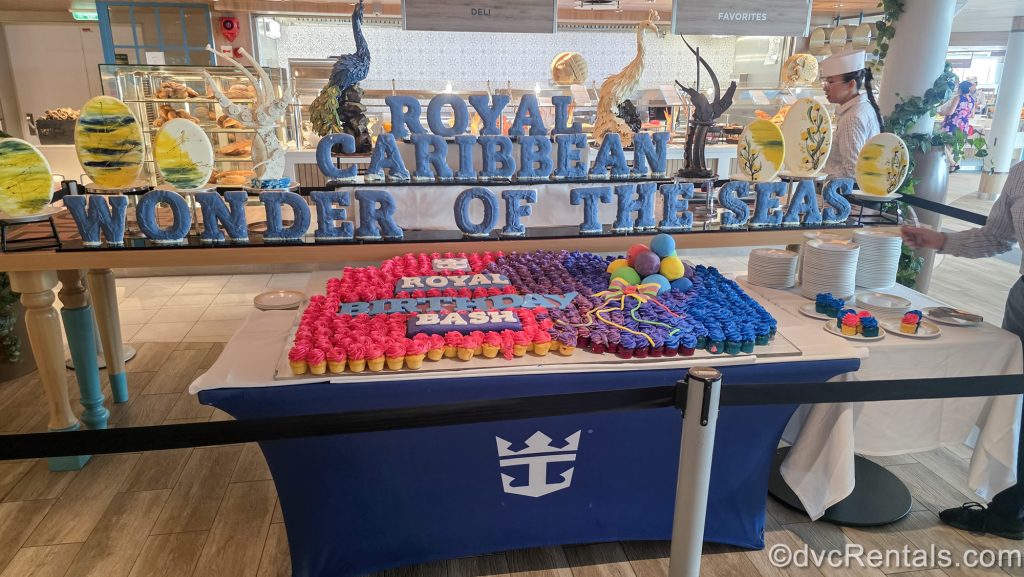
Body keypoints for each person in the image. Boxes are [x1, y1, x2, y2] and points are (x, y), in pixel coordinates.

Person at [901, 162, 1024, 541]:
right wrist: (940, 241)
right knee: (1019, 405)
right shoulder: (1020, 172)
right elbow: (998, 237)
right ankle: (1010, 512)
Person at [820, 49, 883, 179]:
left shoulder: (851, 118)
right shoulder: (865, 107)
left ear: (851, 84)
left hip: (840, 194)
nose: (825, 87)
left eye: (830, 82)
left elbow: (852, 172)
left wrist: (818, 176)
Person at [941, 80, 976, 172]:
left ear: (960, 88)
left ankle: (953, 163)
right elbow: (972, 115)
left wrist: (942, 112)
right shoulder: (972, 100)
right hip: (964, 125)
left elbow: (950, 112)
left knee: (942, 144)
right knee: (951, 146)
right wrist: (963, 115)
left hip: (953, 124)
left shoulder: (958, 98)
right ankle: (951, 167)